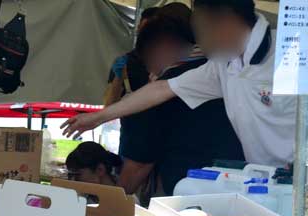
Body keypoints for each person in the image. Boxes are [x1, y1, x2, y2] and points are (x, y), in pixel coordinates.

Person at [65, 0, 295, 168]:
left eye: (202, 29)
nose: (199, 42)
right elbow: (162, 89)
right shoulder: (222, 65)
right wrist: (100, 116)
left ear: (224, 21)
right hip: (264, 181)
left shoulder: (291, 52)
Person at [117, 14, 245, 199]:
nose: (151, 72)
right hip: (243, 187)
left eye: (149, 63)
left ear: (162, 48)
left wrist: (111, 203)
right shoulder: (230, 73)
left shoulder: (157, 93)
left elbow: (139, 164)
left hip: (189, 196)